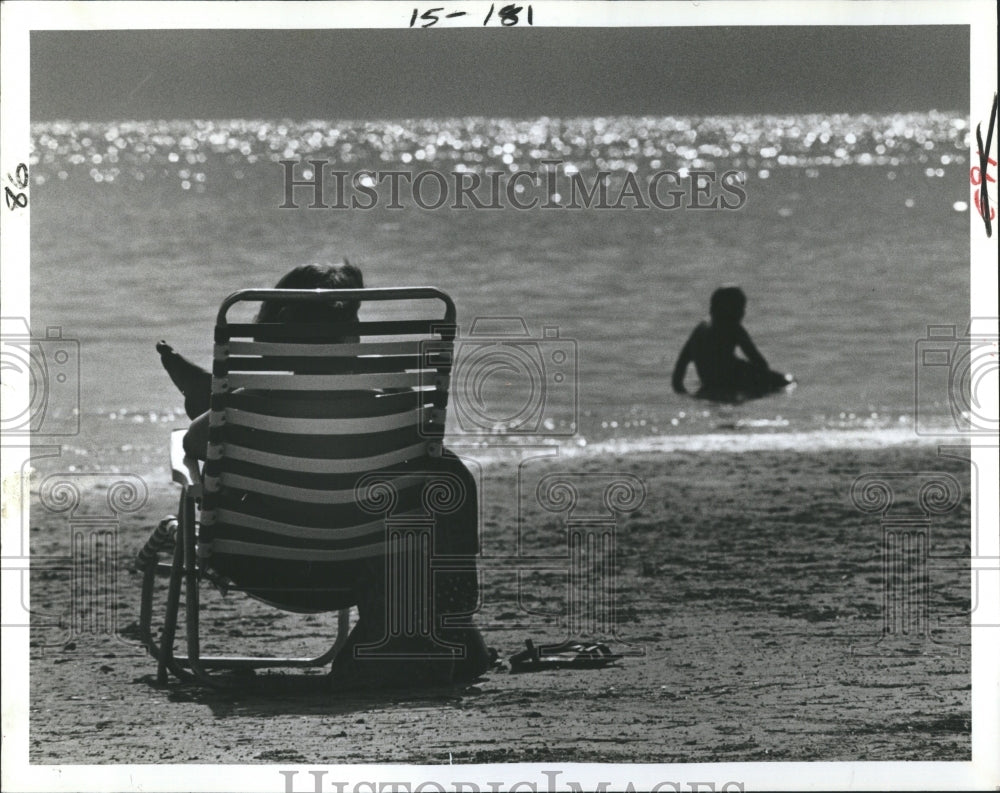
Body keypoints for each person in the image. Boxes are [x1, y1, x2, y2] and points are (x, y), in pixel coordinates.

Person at [156, 261, 491, 687]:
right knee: (441, 469)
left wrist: (225, 410)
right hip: (364, 563)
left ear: (271, 340)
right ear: (353, 338)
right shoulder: (393, 408)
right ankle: (449, 619)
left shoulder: (248, 405)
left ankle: (203, 395)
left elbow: (192, 445)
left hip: (262, 561)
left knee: (233, 442)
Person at [671, 286, 794, 402]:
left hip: (710, 383)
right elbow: (759, 361)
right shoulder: (733, 327)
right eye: (740, 308)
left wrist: (684, 394)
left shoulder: (699, 330)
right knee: (789, 382)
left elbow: (680, 368)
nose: (742, 313)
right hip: (733, 379)